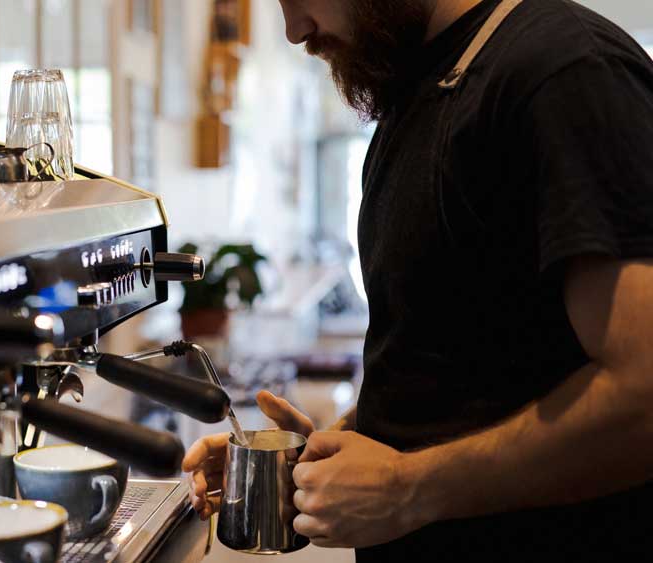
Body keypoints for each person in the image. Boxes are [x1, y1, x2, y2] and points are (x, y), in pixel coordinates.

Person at [183, 0, 653, 561]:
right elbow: (454, 367)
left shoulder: (563, 70)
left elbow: (644, 389)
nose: (294, 31)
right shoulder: (418, 98)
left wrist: (411, 488)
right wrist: (327, 455)